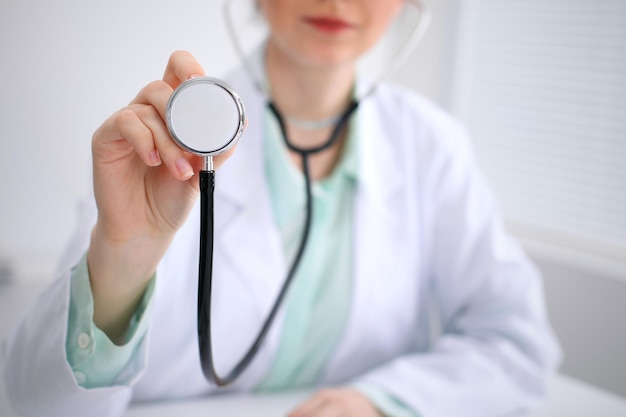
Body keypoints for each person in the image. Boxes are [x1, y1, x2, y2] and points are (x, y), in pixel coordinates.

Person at [2, 1, 561, 416]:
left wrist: (380, 402)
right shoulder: (161, 144)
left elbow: (516, 342)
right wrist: (125, 255)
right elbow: (39, 404)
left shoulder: (432, 147)